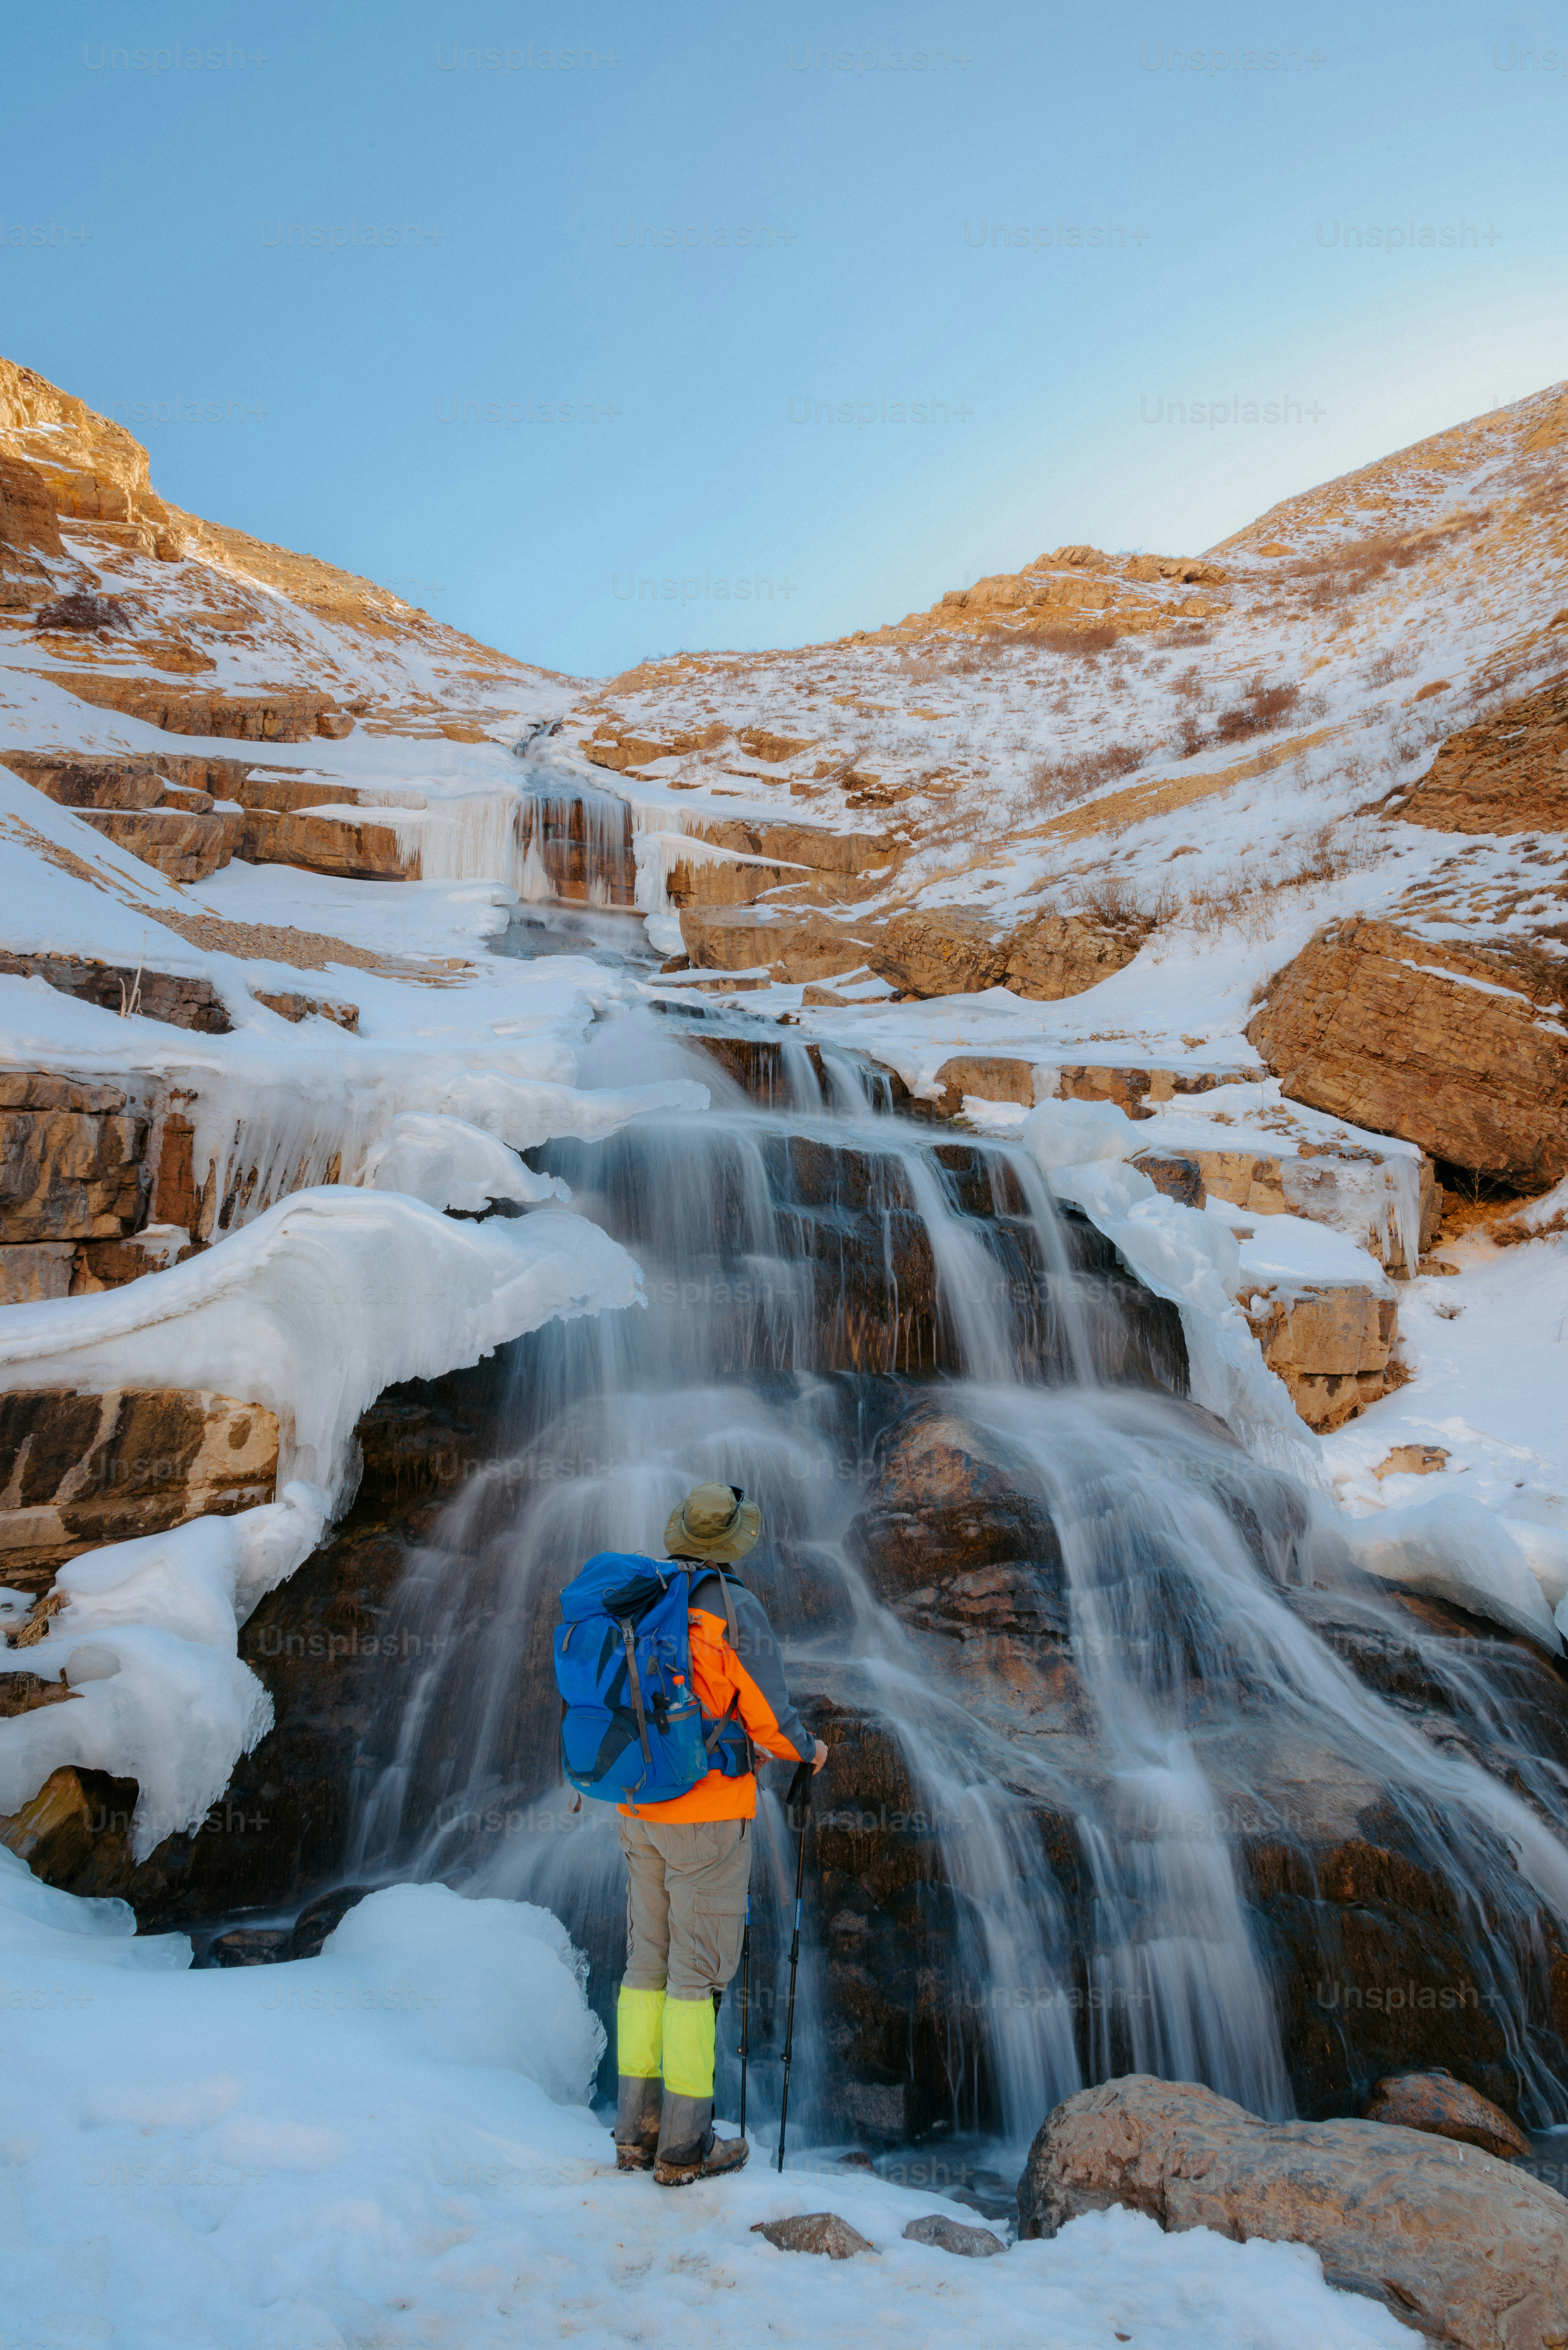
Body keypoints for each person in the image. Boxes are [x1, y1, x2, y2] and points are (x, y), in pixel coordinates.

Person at [613, 1480, 827, 2187]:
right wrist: (807, 1749)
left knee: (646, 1966)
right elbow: (767, 1711)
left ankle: (633, 2132)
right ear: (733, 1542)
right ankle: (683, 2144)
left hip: (638, 1807)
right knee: (694, 1977)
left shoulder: (642, 1596)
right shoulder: (733, 1607)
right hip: (705, 1816)